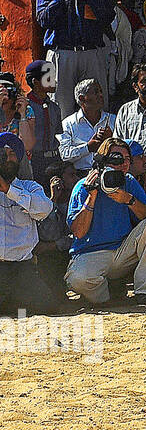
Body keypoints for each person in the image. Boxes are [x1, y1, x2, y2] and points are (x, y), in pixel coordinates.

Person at [64, 136, 146, 305]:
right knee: (78, 280)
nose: (124, 164)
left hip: (123, 251)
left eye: (128, 159)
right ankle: (107, 297)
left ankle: (145, 292)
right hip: (91, 252)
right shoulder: (83, 185)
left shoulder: (129, 182)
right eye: (118, 159)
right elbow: (79, 232)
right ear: (103, 160)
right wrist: (92, 196)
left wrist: (129, 200)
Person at [34, 0, 114, 120]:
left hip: (91, 52)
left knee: (97, 103)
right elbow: (43, 19)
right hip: (61, 53)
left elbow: (107, 17)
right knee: (60, 105)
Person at [0, 132, 62, 315]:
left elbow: (44, 209)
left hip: (22, 268)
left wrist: (8, 190)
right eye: (3, 154)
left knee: (48, 307)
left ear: (20, 159)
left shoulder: (30, 187)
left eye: (12, 154)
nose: (7, 159)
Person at [58, 79, 115, 173]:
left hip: (109, 174)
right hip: (79, 176)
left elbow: (125, 150)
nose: (101, 95)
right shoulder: (68, 124)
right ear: (82, 98)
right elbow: (64, 155)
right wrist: (87, 148)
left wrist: (111, 140)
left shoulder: (113, 120)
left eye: (101, 91)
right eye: (96, 92)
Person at [22, 60, 63, 185]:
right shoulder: (25, 107)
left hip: (54, 158)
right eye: (48, 78)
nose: (53, 81)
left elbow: (57, 132)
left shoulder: (54, 108)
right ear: (35, 82)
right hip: (35, 159)